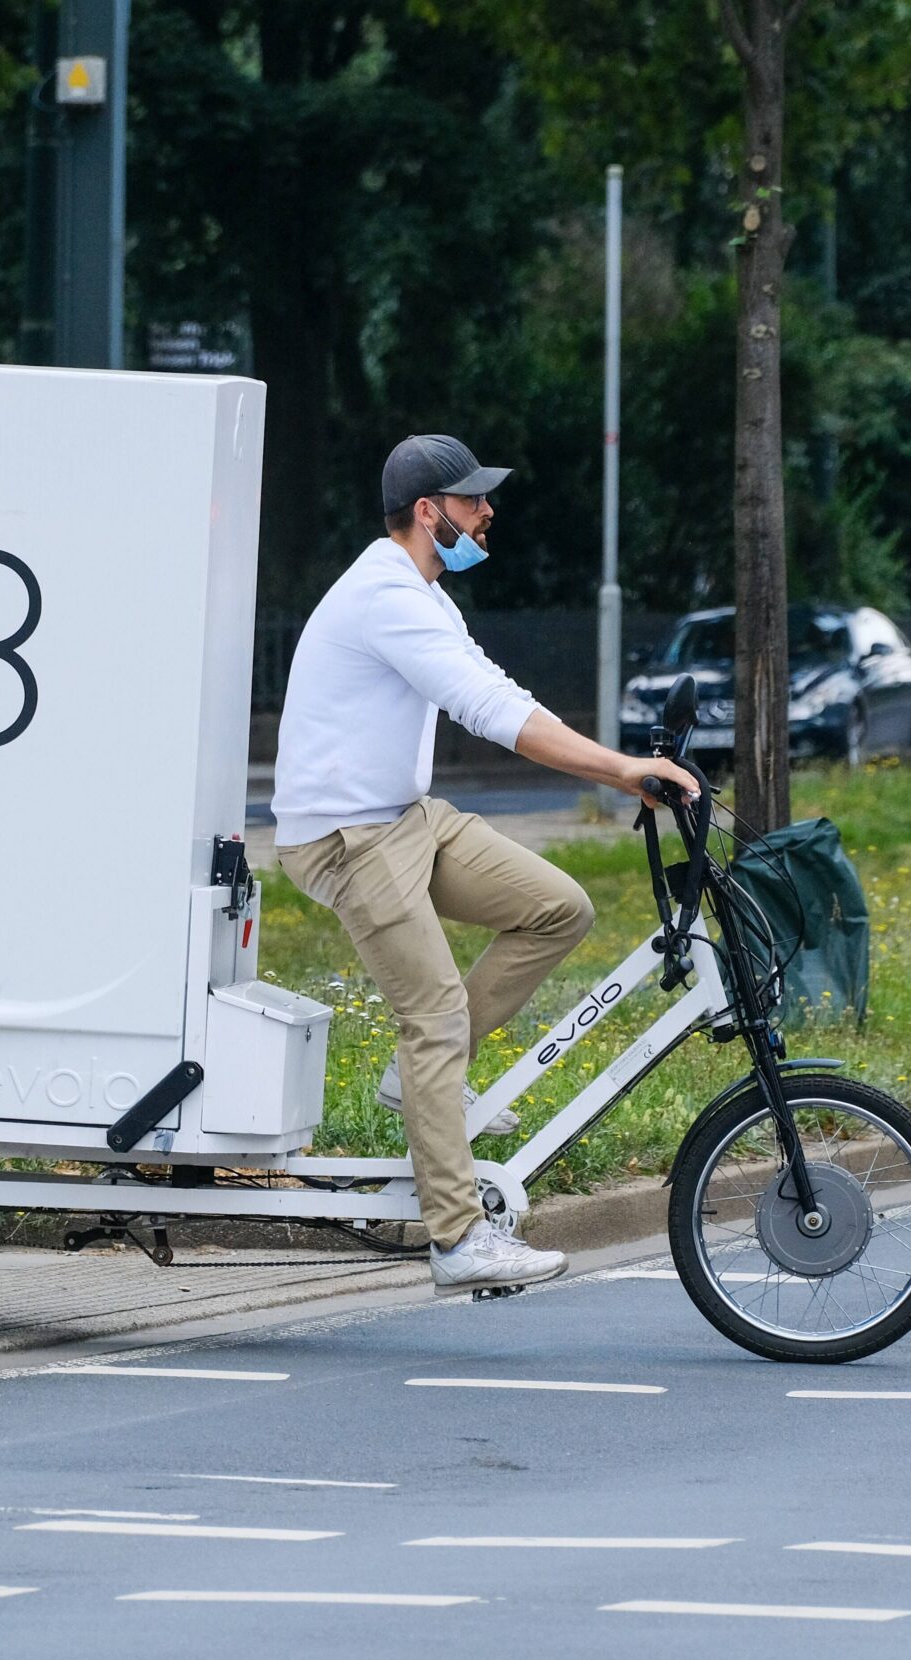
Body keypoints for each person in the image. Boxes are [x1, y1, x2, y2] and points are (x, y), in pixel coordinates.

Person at [271, 434, 706, 1296]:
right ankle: (458, 1238)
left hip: (407, 818)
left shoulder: (423, 593)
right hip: (346, 839)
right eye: (472, 501)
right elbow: (489, 711)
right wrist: (620, 768)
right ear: (428, 512)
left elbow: (495, 684)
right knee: (431, 1015)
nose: (487, 512)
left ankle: (418, 1082)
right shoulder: (384, 596)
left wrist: (617, 760)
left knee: (558, 906)